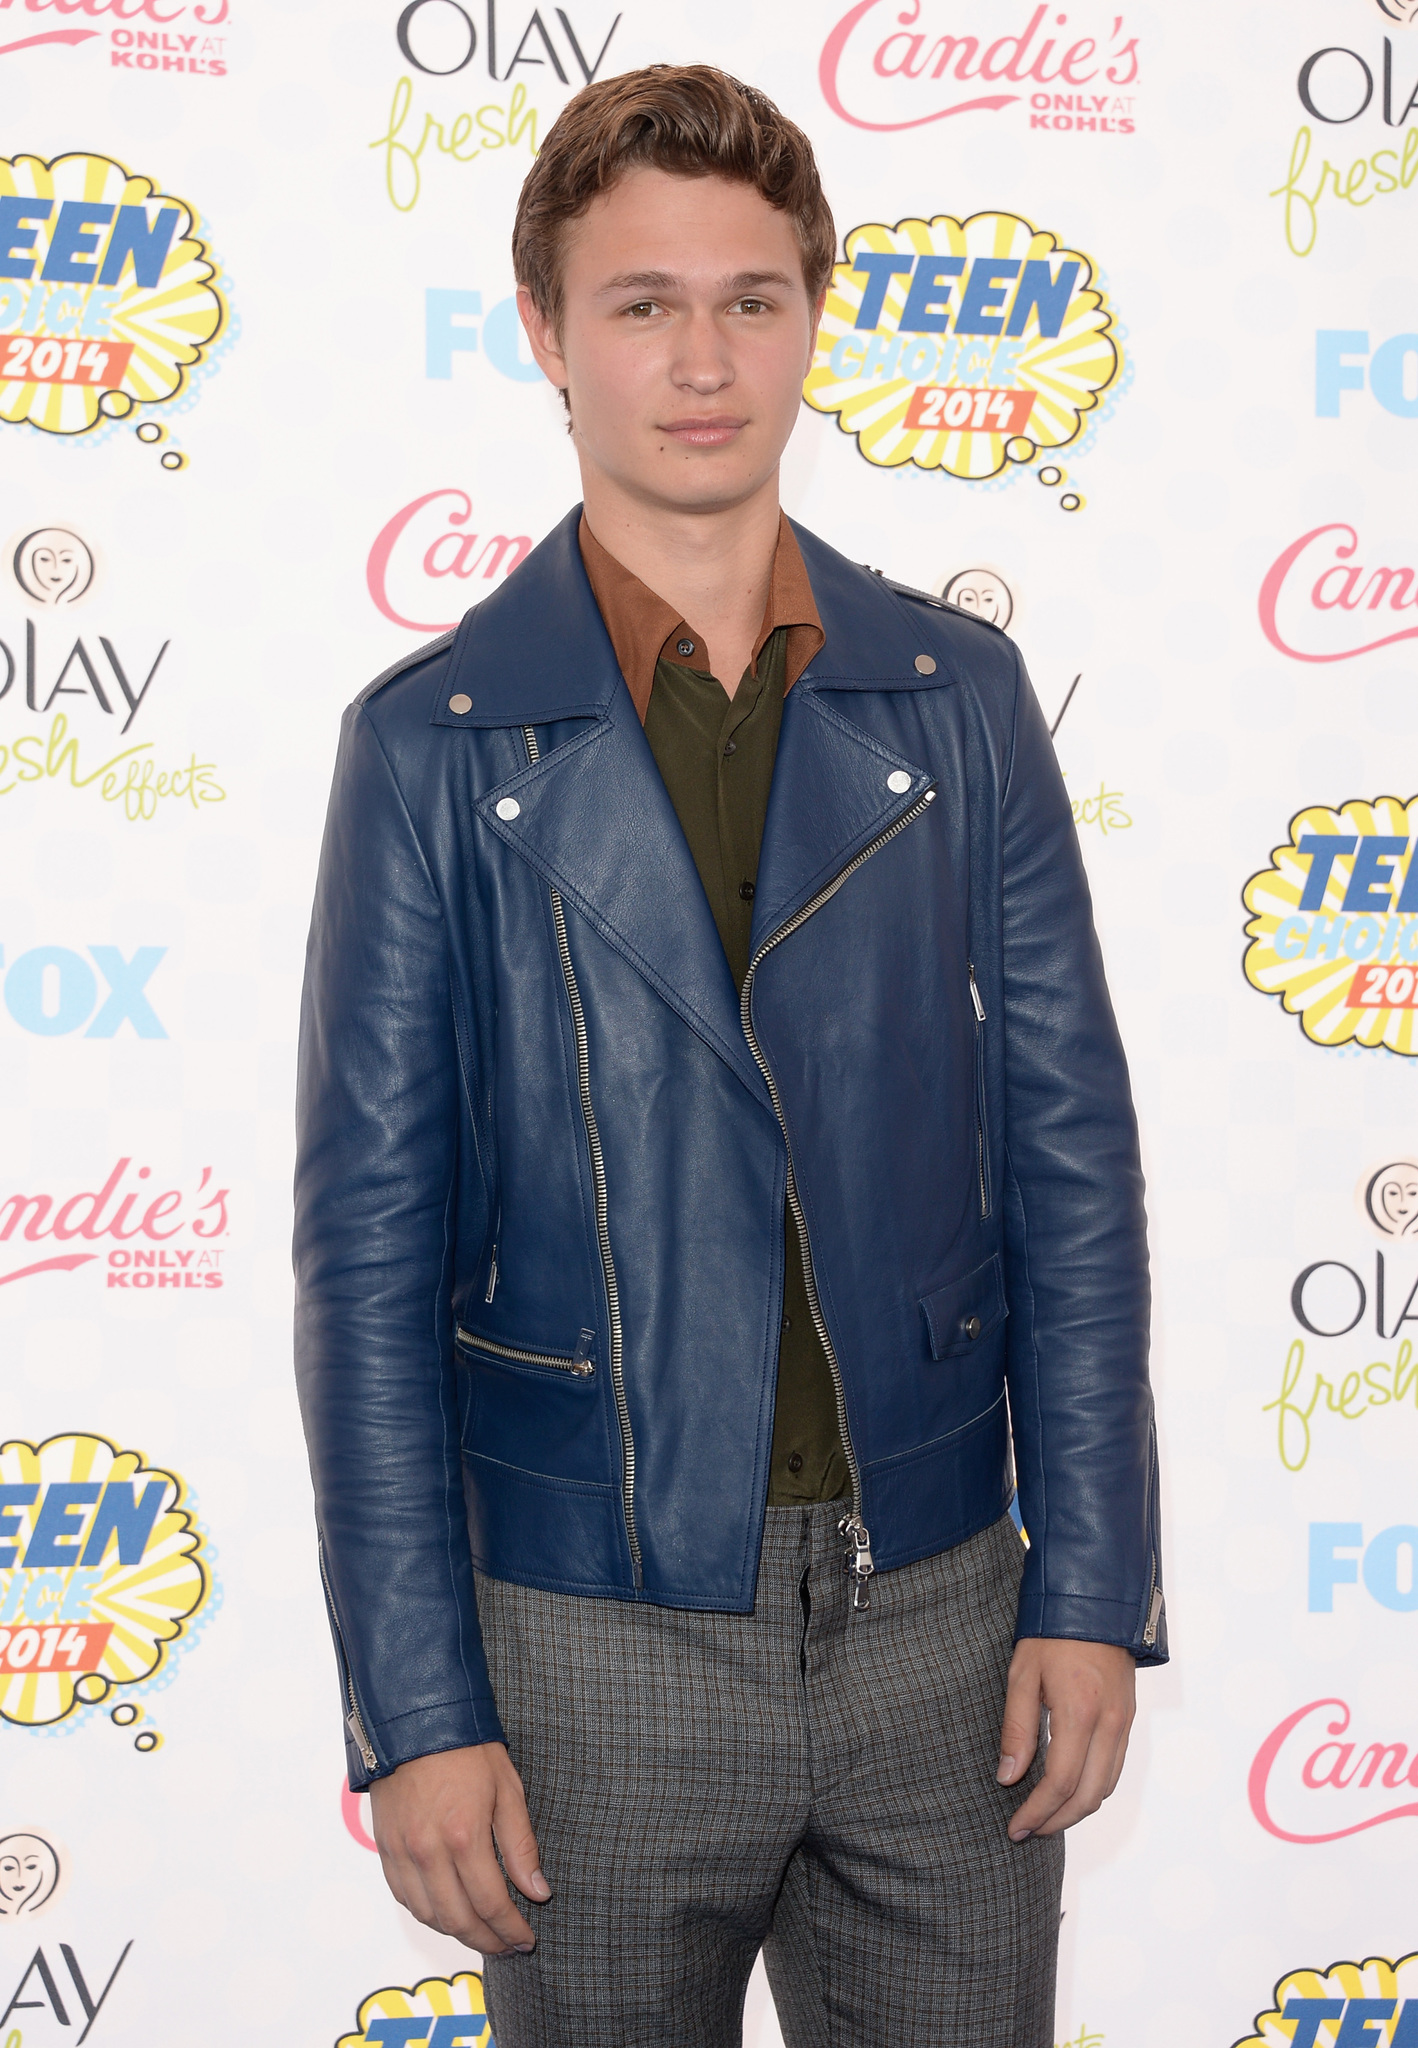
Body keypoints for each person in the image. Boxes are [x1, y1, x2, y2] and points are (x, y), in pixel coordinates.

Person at [294, 63, 1163, 2047]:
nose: (703, 360)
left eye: (751, 300)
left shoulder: (956, 698)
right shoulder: (431, 746)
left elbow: (1070, 1165)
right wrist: (419, 1709)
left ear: (812, 315)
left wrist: (1088, 1584)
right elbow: (364, 1271)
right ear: (545, 333)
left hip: (944, 1622)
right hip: (586, 1637)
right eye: (641, 304)